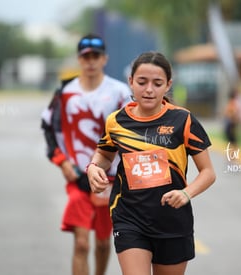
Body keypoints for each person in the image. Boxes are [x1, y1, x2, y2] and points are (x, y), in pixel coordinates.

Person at [87, 51, 216, 275]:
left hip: (172, 221)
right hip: (129, 218)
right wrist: (93, 168)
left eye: (157, 83)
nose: (149, 89)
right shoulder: (116, 121)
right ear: (131, 82)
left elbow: (208, 172)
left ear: (168, 85)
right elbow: (104, 154)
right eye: (142, 82)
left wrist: (186, 194)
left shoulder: (183, 120)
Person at [41, 33, 132, 275]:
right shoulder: (65, 93)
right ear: (79, 60)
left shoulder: (121, 92)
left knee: (103, 243)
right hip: (79, 177)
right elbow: (48, 128)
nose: (91, 62)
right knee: (81, 243)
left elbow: (132, 132)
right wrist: (62, 163)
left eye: (96, 56)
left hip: (109, 180)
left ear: (105, 59)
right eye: (86, 57)